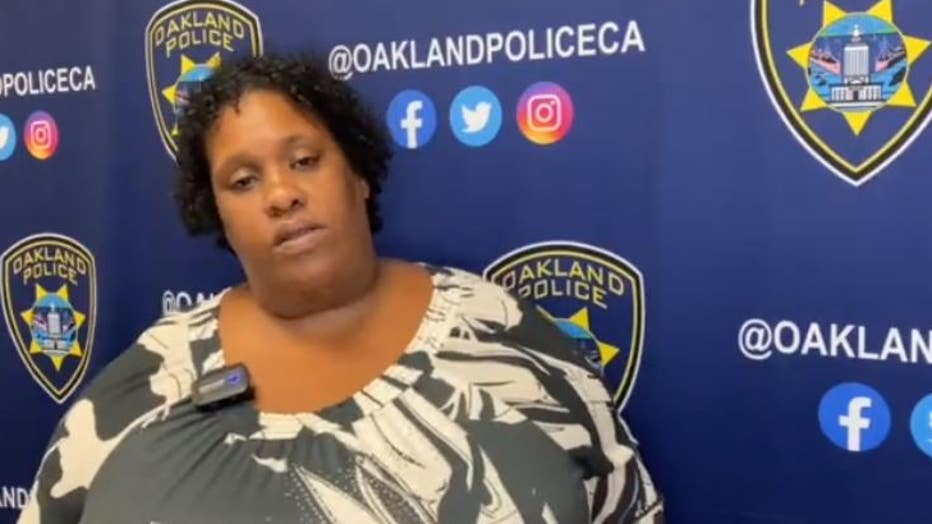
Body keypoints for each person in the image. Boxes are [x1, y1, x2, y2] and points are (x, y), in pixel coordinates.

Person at [19, 53, 663, 523]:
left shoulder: (501, 338)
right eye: (243, 181)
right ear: (217, 216)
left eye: (304, 160)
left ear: (359, 174)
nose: (281, 194)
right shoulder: (152, 383)